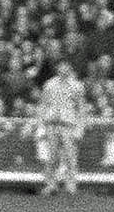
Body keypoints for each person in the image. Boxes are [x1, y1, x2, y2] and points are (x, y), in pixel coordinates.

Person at [34, 60, 86, 195]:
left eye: (66, 66)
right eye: (61, 66)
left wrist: (80, 128)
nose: (63, 69)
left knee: (70, 156)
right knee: (52, 157)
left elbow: (81, 108)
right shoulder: (49, 85)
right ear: (57, 68)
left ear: (69, 68)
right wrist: (41, 125)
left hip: (68, 125)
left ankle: (71, 185)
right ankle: (51, 185)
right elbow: (43, 105)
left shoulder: (77, 86)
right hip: (52, 124)